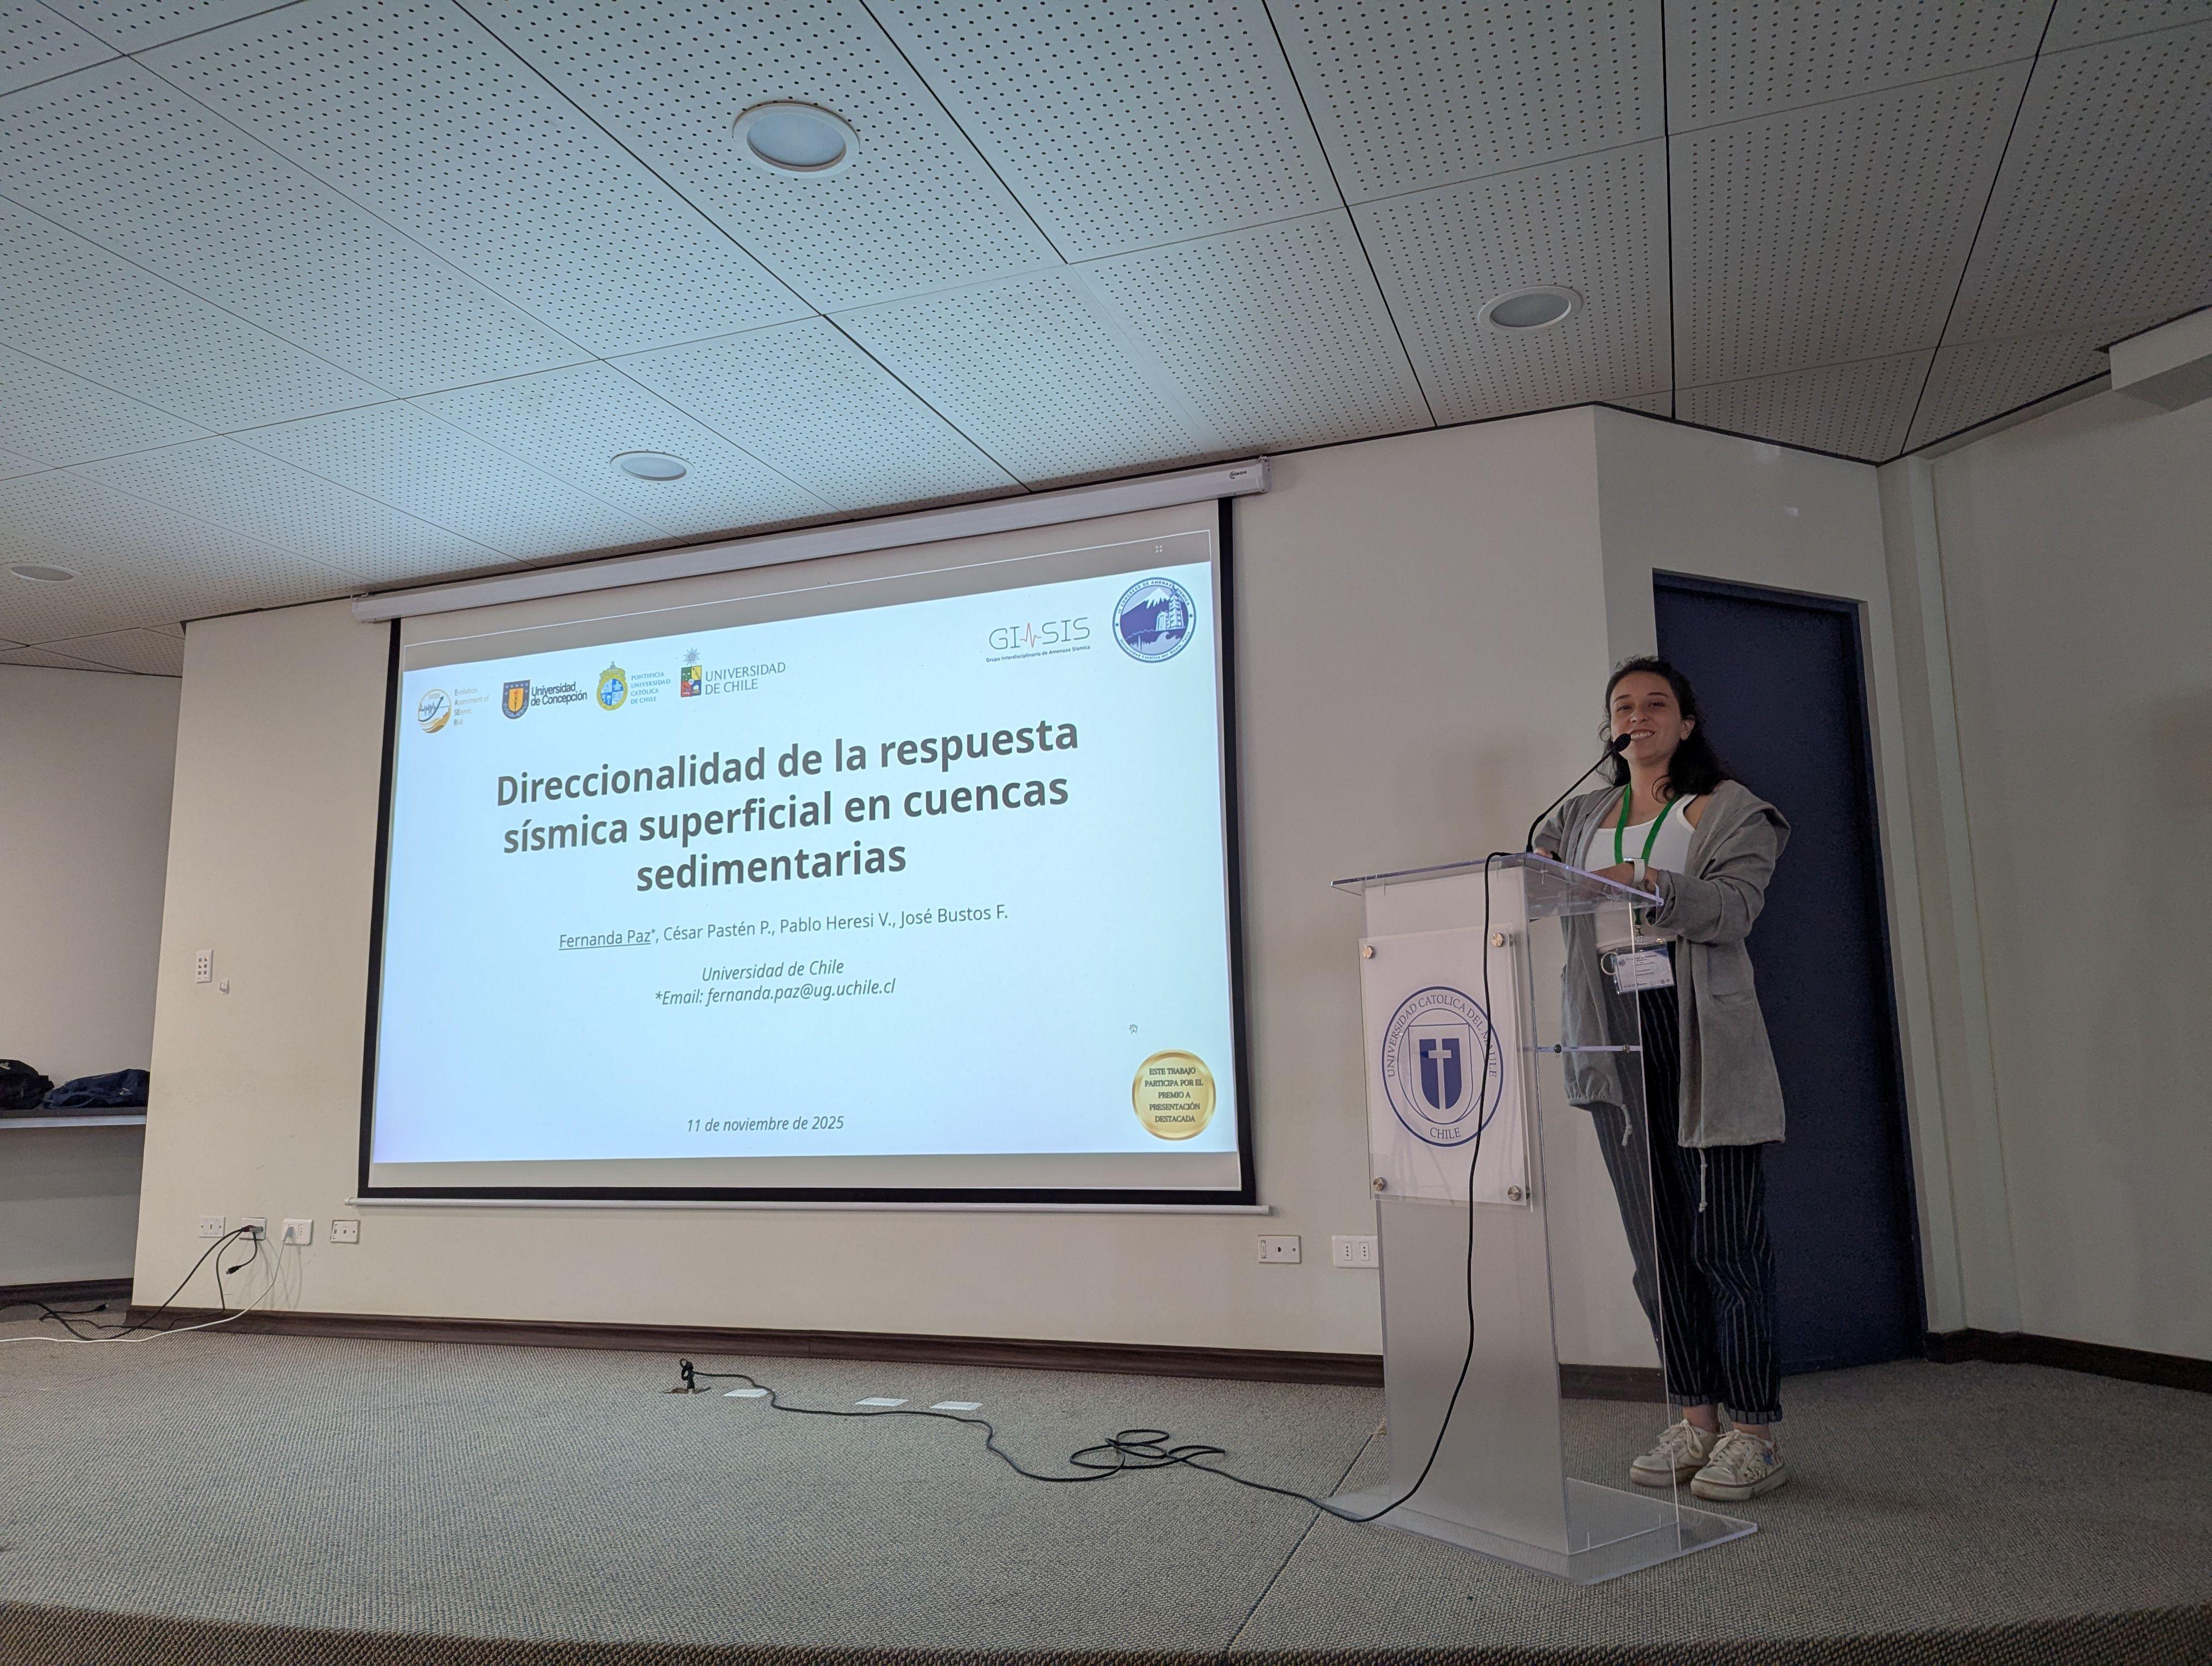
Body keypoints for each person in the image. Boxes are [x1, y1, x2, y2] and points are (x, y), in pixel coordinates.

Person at [1535, 656, 1793, 1502]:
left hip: (1697, 1026)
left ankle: (1753, 1434)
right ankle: (1695, 1418)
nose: (1637, 717)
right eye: (1623, 707)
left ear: (1686, 723)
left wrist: (1647, 881)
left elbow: (1736, 909)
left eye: (1655, 704)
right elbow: (1543, 872)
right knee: (1657, 1248)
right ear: (1610, 728)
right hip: (1612, 1026)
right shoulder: (1582, 814)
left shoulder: (1729, 809)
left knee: (1727, 1246)